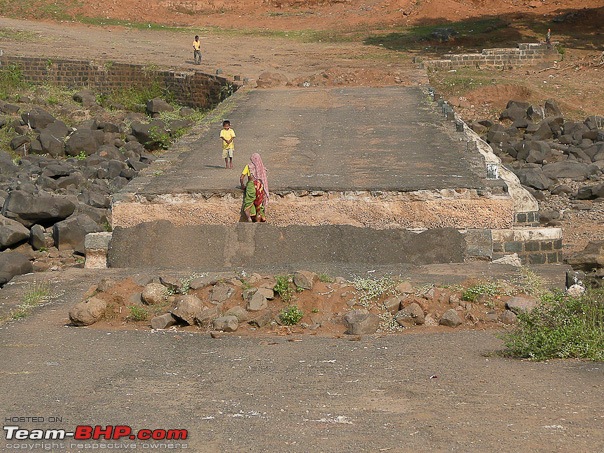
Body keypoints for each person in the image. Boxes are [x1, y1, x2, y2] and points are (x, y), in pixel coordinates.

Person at [241, 153, 269, 222]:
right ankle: (259, 221)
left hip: (251, 186)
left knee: (249, 202)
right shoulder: (261, 167)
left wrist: (242, 185)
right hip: (260, 187)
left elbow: (241, 178)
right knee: (259, 204)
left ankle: (249, 219)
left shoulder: (248, 166)